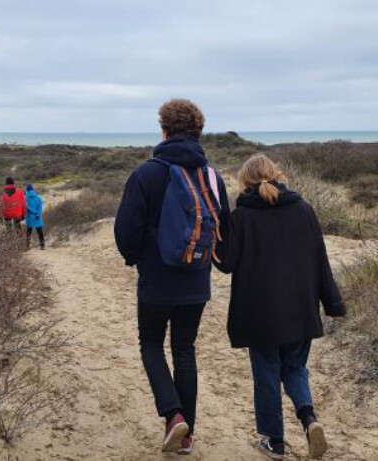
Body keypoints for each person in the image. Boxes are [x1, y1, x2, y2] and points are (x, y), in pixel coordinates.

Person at [114, 99, 230, 455]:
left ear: (163, 130)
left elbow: (126, 230)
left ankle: (173, 415)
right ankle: (187, 435)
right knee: (184, 350)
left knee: (150, 344)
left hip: (156, 280)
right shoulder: (212, 176)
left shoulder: (146, 173)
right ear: (198, 132)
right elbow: (224, 227)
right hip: (195, 281)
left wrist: (136, 259)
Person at [215, 154, 346, 460]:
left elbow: (226, 264)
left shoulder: (241, 216)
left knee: (267, 374)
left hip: (259, 312)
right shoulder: (304, 210)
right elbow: (320, 261)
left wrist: (217, 232)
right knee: (295, 368)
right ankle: (309, 418)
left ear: (244, 181)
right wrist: (334, 304)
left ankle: (274, 442)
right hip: (301, 307)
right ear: (276, 174)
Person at [24, 184, 45, 250]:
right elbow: (40, 207)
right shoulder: (38, 197)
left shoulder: (25, 197)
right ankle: (42, 246)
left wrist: (33, 212)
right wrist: (37, 213)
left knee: (29, 231)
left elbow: (26, 207)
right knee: (40, 231)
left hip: (29, 217)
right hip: (37, 217)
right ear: (33, 189)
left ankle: (27, 246)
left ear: (27, 190)